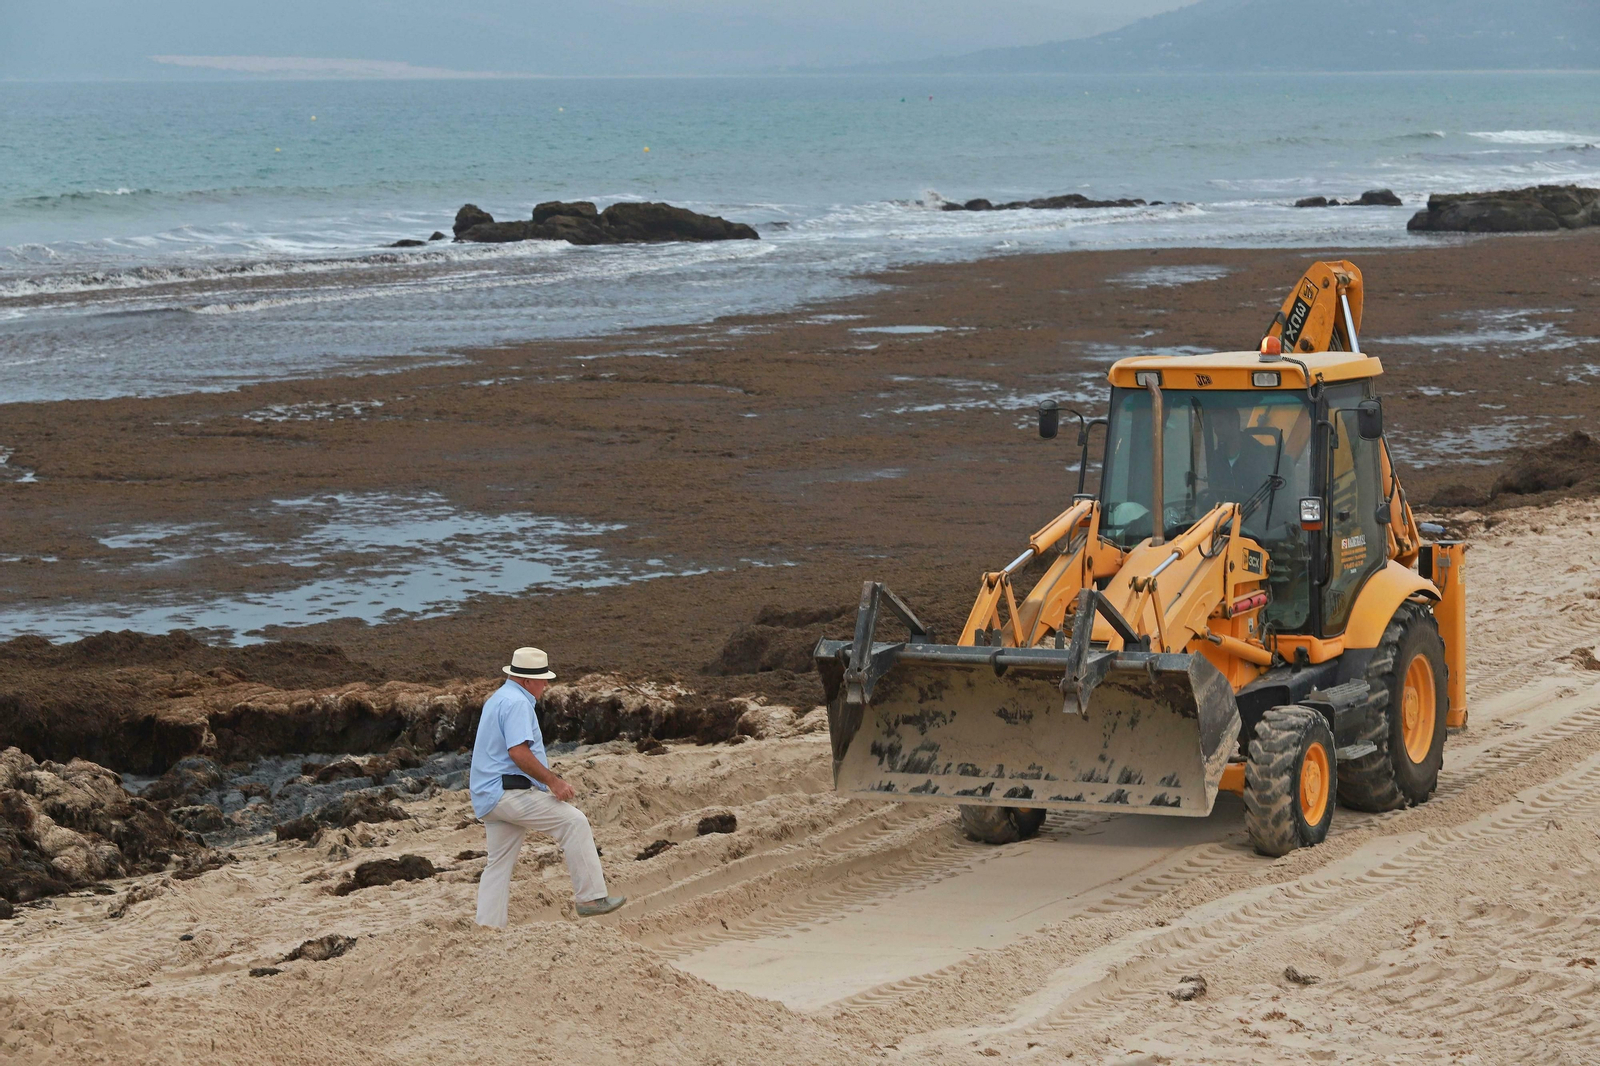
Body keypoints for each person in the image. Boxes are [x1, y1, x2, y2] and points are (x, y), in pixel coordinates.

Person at [471, 646, 625, 926]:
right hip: (507, 792)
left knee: (498, 865)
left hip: (488, 796)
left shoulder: (498, 698)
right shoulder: (517, 703)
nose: (546, 685)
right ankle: (590, 898)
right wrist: (553, 781)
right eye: (542, 679)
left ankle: (488, 928)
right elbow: (518, 752)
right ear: (526, 680)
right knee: (574, 822)